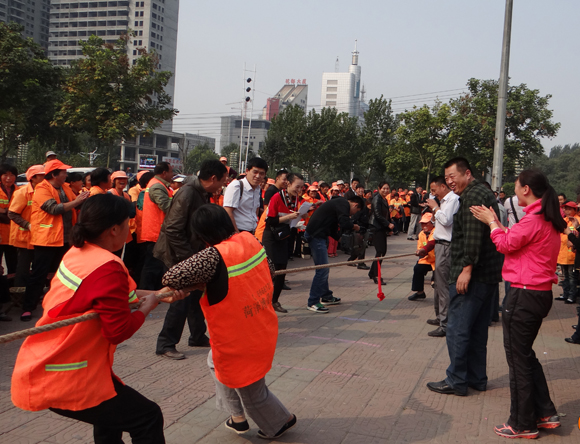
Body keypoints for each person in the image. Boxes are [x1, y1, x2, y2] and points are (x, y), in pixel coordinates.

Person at [11, 193, 188, 444]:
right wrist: (148, 307)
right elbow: (118, 330)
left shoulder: (80, 252)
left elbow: (110, 295)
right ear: (114, 229)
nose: (130, 229)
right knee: (147, 417)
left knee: (109, 422)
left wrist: (157, 295)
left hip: (53, 361)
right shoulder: (107, 267)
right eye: (127, 223)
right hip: (65, 375)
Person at [161, 204, 297, 439]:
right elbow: (270, 269)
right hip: (260, 326)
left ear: (202, 235)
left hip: (237, 338)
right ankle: (237, 418)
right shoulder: (251, 240)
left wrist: (202, 281)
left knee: (252, 392)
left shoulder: (213, 255)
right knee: (215, 363)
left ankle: (279, 422)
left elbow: (171, 276)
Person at [470, 169, 565, 439]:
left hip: (524, 295)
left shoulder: (534, 219)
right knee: (525, 355)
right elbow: (518, 241)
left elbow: (506, 244)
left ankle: (522, 423)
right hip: (538, 293)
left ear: (526, 190)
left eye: (516, 187)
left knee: (517, 360)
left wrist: (491, 222)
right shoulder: (545, 219)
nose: (514, 192)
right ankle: (545, 413)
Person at [427, 157, 503, 397]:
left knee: (458, 328)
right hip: (488, 275)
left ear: (467, 173)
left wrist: (466, 270)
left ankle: (457, 379)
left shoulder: (471, 197)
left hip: (473, 275)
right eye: (446, 178)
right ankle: (477, 378)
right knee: (477, 330)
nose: (450, 182)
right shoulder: (482, 192)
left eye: (453, 176)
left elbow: (472, 238)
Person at [153, 160, 228, 360]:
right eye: (221, 182)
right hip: (175, 254)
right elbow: (172, 229)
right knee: (180, 299)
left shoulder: (202, 193)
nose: (222, 186)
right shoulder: (187, 193)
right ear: (213, 178)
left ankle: (197, 335)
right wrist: (189, 260)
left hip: (190, 252)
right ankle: (166, 343)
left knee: (196, 295)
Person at [21, 160, 89, 322]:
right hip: (46, 240)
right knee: (39, 274)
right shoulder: (42, 188)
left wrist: (86, 200)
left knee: (63, 275)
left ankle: (58, 304)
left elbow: (77, 204)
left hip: (65, 239)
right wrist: (78, 201)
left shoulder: (65, 187)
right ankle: (28, 307)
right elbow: (54, 209)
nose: (66, 174)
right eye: (63, 172)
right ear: (54, 174)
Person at [304, 195, 364, 313]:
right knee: (322, 269)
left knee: (324, 268)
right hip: (315, 236)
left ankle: (326, 296)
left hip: (320, 235)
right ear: (355, 205)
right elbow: (344, 222)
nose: (352, 214)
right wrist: (354, 226)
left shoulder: (338, 205)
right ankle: (313, 302)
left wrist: (339, 239)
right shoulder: (343, 203)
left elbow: (331, 226)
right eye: (356, 211)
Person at [423, 176, 460, 337]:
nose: (433, 194)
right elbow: (435, 221)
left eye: (434, 190)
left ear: (443, 187)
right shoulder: (442, 202)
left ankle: (445, 324)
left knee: (444, 285)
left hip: (446, 246)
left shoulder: (452, 200)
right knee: (438, 284)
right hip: (439, 245)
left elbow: (446, 220)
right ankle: (440, 316)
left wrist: (436, 208)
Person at [262, 173, 304, 313]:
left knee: (282, 270)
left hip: (284, 235)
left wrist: (296, 222)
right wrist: (289, 217)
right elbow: (270, 220)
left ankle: (274, 301)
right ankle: (263, 302)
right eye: (297, 186)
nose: (299, 189)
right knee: (270, 269)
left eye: (301, 187)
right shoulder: (276, 197)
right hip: (272, 236)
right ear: (288, 184)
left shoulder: (295, 198)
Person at [8, 165, 45, 288]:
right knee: (23, 268)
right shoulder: (22, 193)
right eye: (42, 175)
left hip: (39, 237)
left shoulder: (44, 191)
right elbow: (12, 213)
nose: (45, 178)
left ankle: (32, 292)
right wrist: (27, 225)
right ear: (33, 178)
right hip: (24, 237)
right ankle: (19, 295)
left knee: (37, 267)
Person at [140, 162, 173, 290]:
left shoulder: (159, 185)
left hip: (157, 232)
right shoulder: (157, 186)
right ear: (164, 173)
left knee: (155, 265)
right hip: (155, 232)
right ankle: (146, 293)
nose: (172, 174)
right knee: (152, 266)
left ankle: (151, 292)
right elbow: (166, 206)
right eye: (171, 171)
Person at [223, 157, 268, 234]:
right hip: (237, 231)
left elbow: (255, 210)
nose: (257, 176)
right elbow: (227, 212)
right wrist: (237, 234)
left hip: (252, 231)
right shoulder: (236, 186)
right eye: (255, 172)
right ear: (247, 171)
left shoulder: (257, 189)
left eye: (261, 173)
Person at [368, 181, 395, 285]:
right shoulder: (377, 199)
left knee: (382, 251)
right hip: (376, 227)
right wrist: (388, 224)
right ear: (379, 189)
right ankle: (375, 275)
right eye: (383, 188)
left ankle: (372, 272)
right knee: (380, 251)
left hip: (382, 228)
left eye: (387, 188)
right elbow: (378, 215)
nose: (385, 190)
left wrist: (389, 228)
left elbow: (386, 214)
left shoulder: (384, 199)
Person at [407, 213, 436, 304]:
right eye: (422, 224)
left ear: (432, 223)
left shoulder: (436, 231)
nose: (424, 226)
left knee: (436, 281)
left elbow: (431, 243)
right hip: (427, 259)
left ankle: (442, 297)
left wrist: (423, 250)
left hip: (438, 260)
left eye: (426, 223)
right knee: (417, 268)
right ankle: (420, 292)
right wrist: (419, 253)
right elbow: (420, 247)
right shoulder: (421, 234)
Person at [555, 201, 580, 304]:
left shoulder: (577, 220)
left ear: (575, 210)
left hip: (572, 255)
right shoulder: (564, 220)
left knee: (571, 276)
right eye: (565, 208)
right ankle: (565, 294)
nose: (566, 211)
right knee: (565, 276)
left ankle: (571, 295)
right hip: (563, 254)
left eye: (569, 208)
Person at [0, 163, 20, 274]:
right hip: (1, 234)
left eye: (12, 175)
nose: (9, 178)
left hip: (13, 236)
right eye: (5, 175)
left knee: (14, 265)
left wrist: (3, 211)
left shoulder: (20, 191)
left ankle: (12, 288)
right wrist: (9, 213)